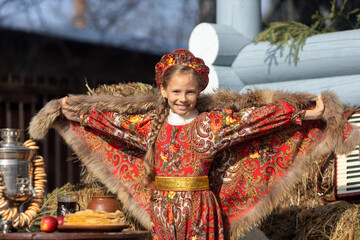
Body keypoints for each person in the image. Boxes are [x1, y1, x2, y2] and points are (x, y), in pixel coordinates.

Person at [30, 49, 358, 240]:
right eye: (176, 92)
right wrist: (70, 110)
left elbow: (255, 120)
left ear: (199, 91)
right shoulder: (149, 127)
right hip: (164, 210)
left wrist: (300, 111)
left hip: (203, 209)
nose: (183, 99)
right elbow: (109, 122)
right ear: (163, 91)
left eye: (189, 92)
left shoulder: (210, 125)